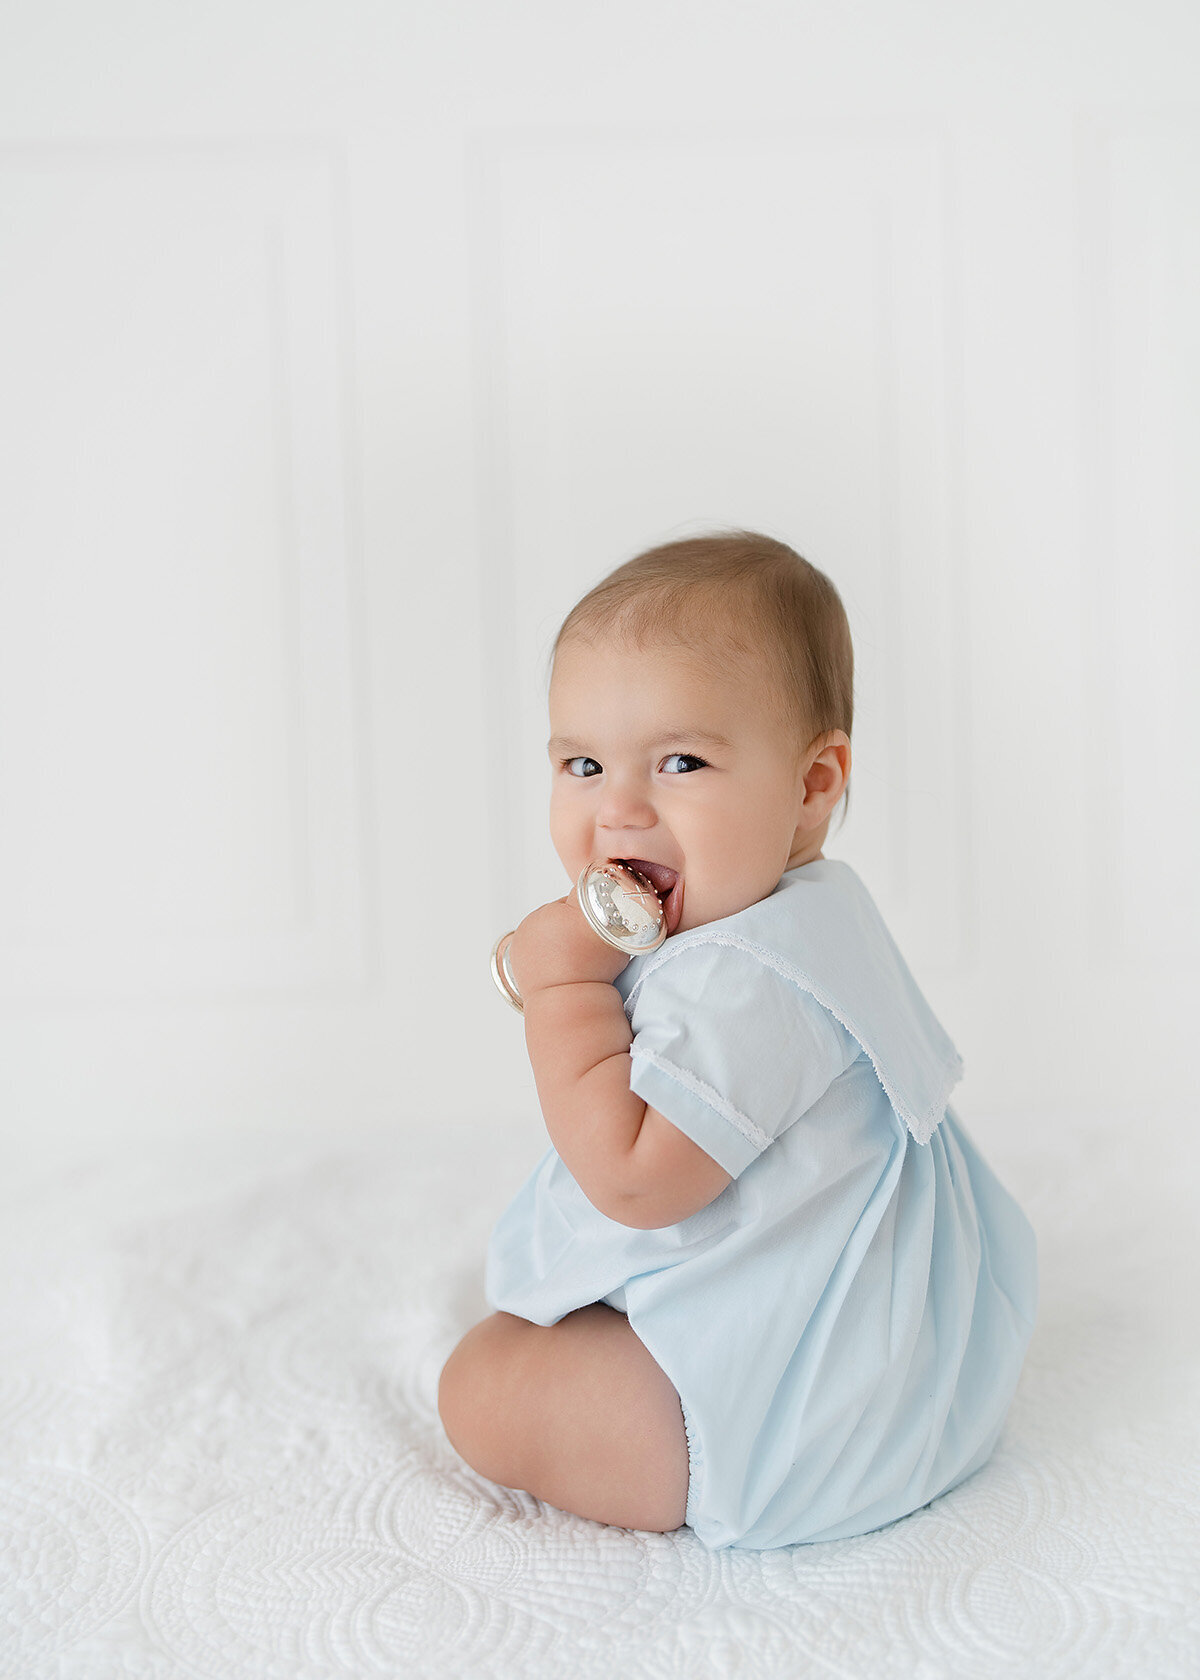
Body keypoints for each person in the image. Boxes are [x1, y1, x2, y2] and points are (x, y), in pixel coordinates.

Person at [437, 530, 1038, 1550]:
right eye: (582, 764)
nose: (619, 808)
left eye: (682, 761)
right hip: (892, 1362)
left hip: (810, 1426)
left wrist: (563, 984)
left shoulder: (745, 977)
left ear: (811, 787)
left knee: (483, 1385)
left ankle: (708, 1447)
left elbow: (635, 1181)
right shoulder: (810, 915)